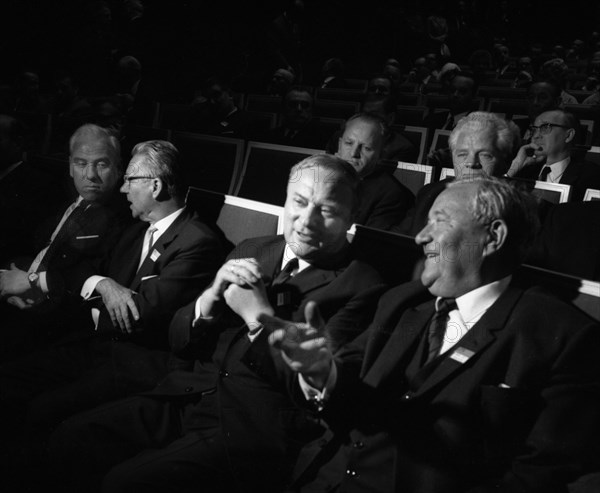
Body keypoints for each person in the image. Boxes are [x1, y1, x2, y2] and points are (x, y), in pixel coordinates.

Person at [46, 154, 387, 493]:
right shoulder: (253, 248)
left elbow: (315, 393)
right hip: (190, 393)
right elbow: (180, 340)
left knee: (125, 482)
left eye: (326, 210)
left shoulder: (363, 286)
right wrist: (207, 302)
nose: (305, 221)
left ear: (352, 217)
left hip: (252, 425)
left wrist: (258, 318)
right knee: (72, 436)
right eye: (298, 202)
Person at [265, 177, 600, 493]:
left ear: (493, 237)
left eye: (438, 221)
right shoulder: (402, 301)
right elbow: (348, 384)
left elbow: (537, 476)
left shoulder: (566, 336)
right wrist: (322, 373)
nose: (420, 237)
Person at [0, 140, 227, 482]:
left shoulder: (198, 241)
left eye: (129, 179)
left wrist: (84, 298)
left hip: (139, 362)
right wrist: (102, 284)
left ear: (156, 185)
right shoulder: (136, 231)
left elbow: (140, 316)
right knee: (11, 379)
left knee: (45, 411)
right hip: (95, 346)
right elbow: (84, 270)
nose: (121, 188)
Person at [0, 123, 131, 360]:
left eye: (102, 164)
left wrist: (31, 283)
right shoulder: (59, 198)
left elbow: (91, 277)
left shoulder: (123, 219)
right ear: (70, 167)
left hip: (55, 321)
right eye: (81, 163)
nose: (90, 175)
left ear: (119, 169)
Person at [400, 111, 521, 235]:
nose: (471, 163)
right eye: (462, 154)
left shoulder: (519, 211)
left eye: (485, 155)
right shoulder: (429, 194)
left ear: (506, 163)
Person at [335, 112, 415, 231]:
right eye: (348, 143)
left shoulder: (392, 195)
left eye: (366, 148)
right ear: (339, 145)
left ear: (381, 155)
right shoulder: (320, 174)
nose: (354, 153)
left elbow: (367, 243)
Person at [507, 109, 600, 201]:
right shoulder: (522, 170)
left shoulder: (590, 176)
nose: (536, 136)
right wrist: (515, 167)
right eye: (534, 129)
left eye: (545, 128)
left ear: (568, 136)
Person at [257, 86, 327, 148]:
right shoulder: (268, 137)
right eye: (293, 104)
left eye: (304, 105)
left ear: (311, 110)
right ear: (283, 108)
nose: (299, 109)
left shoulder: (322, 140)